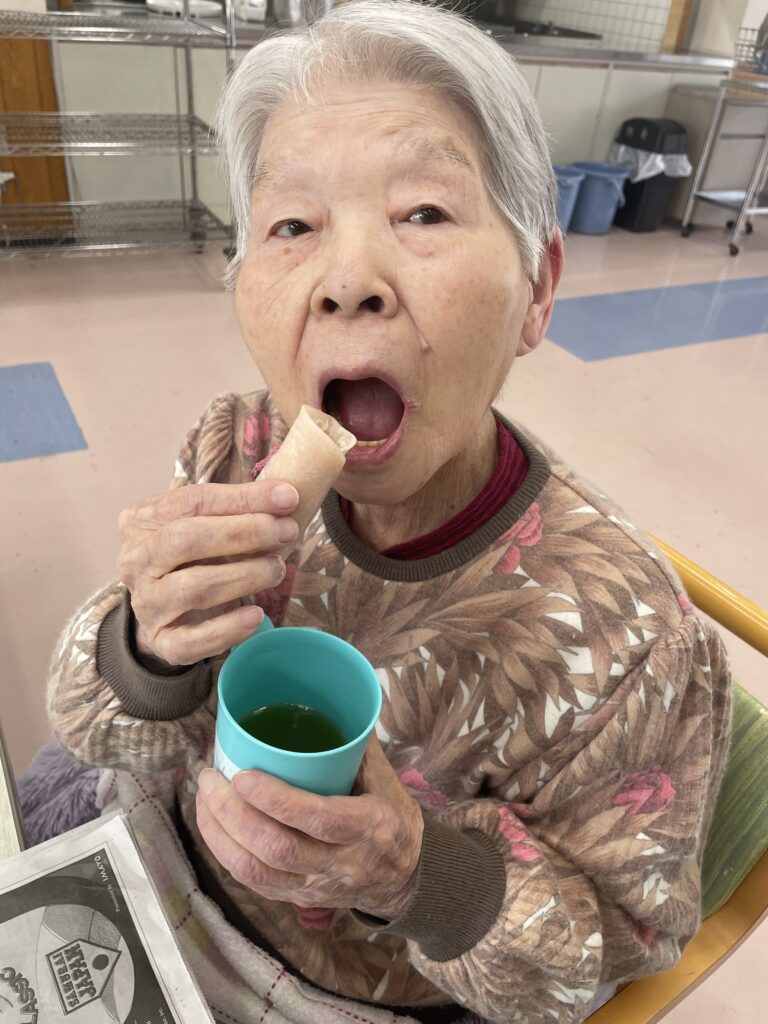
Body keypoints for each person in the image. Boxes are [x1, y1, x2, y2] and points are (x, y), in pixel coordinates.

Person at [47, 3, 731, 1023]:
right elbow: (89, 729)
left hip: (355, 996)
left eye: (423, 213)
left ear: (537, 290)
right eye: (292, 225)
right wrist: (145, 647)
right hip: (155, 863)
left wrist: (413, 872)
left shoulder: (629, 639)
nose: (348, 281)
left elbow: (609, 955)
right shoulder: (233, 446)